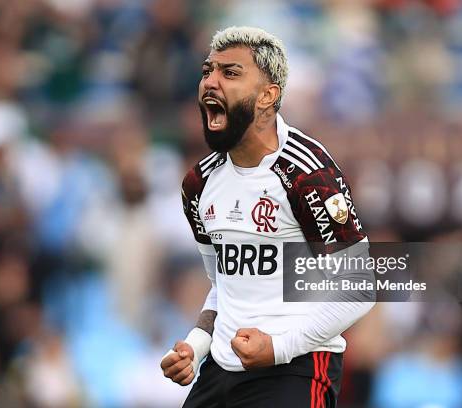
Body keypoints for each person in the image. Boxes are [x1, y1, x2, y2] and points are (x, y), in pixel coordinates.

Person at [160, 26, 375, 407]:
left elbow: (359, 286)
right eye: (207, 71)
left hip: (296, 368)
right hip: (221, 368)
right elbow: (224, 288)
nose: (210, 82)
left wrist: (277, 348)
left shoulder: (307, 174)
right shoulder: (199, 183)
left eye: (230, 73)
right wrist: (195, 345)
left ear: (267, 95)